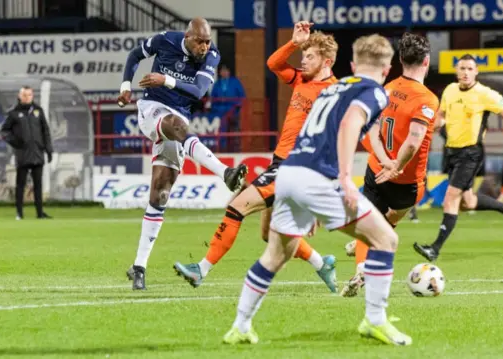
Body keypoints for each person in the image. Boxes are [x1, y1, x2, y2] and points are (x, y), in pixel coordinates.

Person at [222, 34, 412, 346]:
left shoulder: (334, 88)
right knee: (386, 239)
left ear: (352, 64)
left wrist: (306, 199)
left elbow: (312, 130)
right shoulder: (373, 90)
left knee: (275, 254)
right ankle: (374, 321)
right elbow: (352, 122)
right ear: (387, 68)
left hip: (290, 171)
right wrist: (344, 179)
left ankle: (240, 325)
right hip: (319, 177)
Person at [174, 22, 339, 292]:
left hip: (296, 168)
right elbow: (273, 63)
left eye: (310, 56)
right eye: (303, 55)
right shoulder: (300, 79)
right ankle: (323, 264)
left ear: (327, 61)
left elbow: (332, 143)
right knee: (269, 233)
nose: (303, 60)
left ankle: (201, 270)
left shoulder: (334, 94)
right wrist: (295, 43)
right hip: (281, 162)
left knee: (238, 205)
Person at [119, 18, 248, 290]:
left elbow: (199, 91)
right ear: (187, 37)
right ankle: (225, 173)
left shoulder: (211, 56)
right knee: (178, 126)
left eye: (207, 41)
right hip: (152, 108)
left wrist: (165, 79)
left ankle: (139, 266)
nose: (204, 47)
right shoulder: (165, 40)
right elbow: (135, 55)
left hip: (178, 117)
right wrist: (126, 86)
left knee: (160, 193)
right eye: (199, 41)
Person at [339, 33, 439, 297]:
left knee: (367, 220)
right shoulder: (427, 99)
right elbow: (413, 142)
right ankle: (368, 257)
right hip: (407, 180)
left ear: (400, 60)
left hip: (375, 169)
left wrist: (383, 159)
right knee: (391, 219)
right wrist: (396, 165)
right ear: (426, 61)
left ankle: (361, 267)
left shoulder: (386, 89)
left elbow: (370, 130)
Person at [413, 54, 503, 262]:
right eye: (462, 68)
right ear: (456, 71)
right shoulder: (449, 90)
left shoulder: (485, 94)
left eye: (470, 69)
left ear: (476, 72)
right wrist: (433, 125)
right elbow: (442, 116)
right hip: (451, 152)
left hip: (471, 153)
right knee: (467, 202)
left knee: (451, 198)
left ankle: (434, 248)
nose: (465, 72)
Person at [0, 86, 53, 220]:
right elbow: (4, 131)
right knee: (20, 185)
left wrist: (48, 149)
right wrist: (15, 142)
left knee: (38, 185)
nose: (27, 97)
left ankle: (40, 213)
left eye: (29, 95)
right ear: (20, 96)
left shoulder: (38, 111)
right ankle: (19, 213)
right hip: (23, 154)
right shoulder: (13, 113)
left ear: (32, 96)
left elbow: (45, 131)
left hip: (37, 153)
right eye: (24, 95)